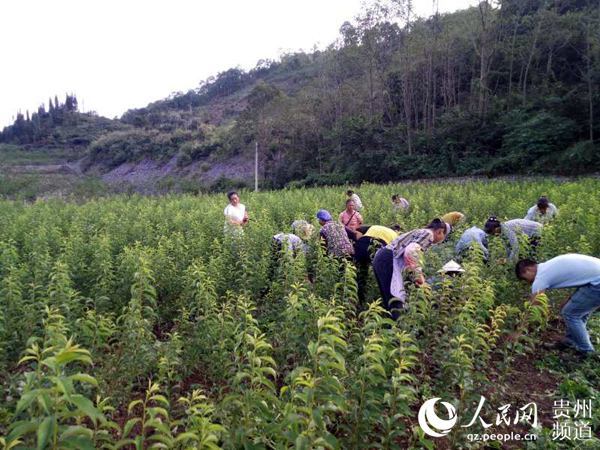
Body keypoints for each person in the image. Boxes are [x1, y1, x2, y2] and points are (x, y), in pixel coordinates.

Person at [516, 254, 600, 358]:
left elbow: (534, 307)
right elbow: (583, 278)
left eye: (525, 279)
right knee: (577, 313)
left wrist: (518, 331)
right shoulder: (548, 267)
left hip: (597, 283)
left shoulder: (541, 277)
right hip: (595, 280)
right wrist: (570, 299)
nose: (528, 282)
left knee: (570, 314)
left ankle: (587, 352)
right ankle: (570, 342)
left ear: (527, 270)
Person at [372, 218, 450, 320]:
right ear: (440, 232)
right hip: (388, 259)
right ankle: (399, 330)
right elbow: (411, 251)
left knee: (389, 300)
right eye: (443, 237)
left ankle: (390, 329)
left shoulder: (420, 232)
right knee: (396, 297)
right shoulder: (429, 234)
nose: (440, 241)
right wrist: (419, 277)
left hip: (381, 257)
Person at [353, 225, 400, 304]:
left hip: (363, 243)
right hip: (379, 245)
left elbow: (358, 230)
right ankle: (386, 302)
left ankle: (358, 300)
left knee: (360, 273)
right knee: (383, 276)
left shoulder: (374, 227)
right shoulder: (396, 236)